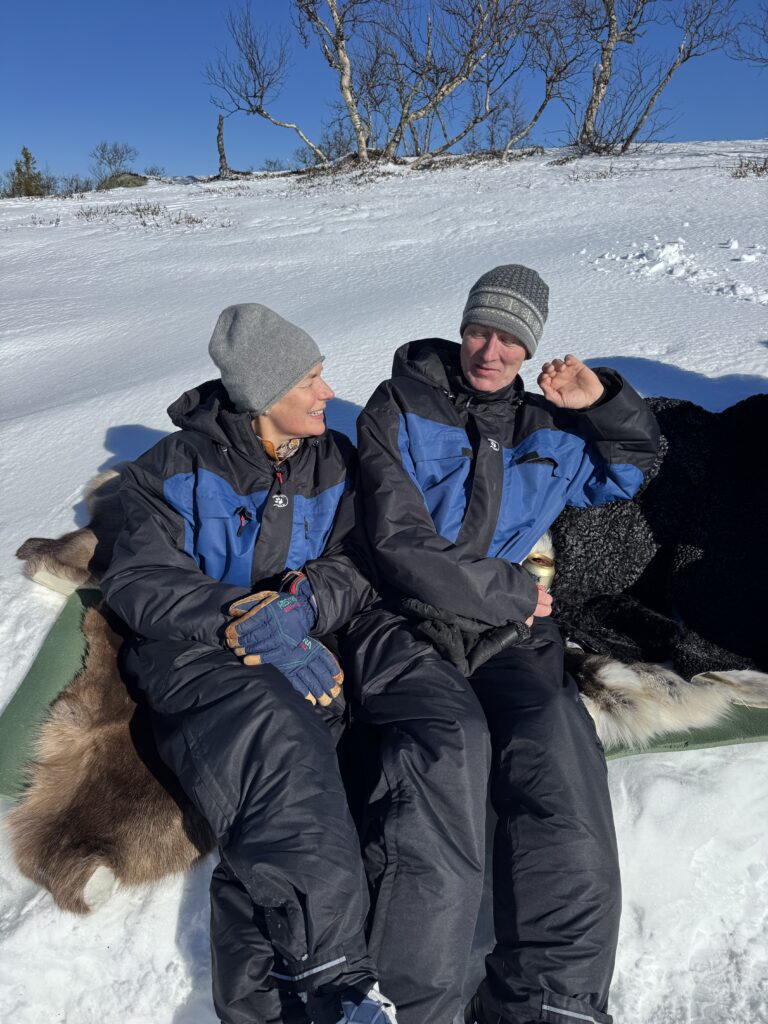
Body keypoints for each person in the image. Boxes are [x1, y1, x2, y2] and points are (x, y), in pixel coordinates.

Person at [341, 266, 661, 1024]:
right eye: (483, 330)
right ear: (462, 329)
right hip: (406, 618)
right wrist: (514, 591)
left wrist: (605, 402)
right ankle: (411, 1005)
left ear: (531, 348)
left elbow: (632, 469)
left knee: (557, 747)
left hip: (509, 634)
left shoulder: (546, 424)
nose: (493, 350)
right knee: (448, 753)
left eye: (513, 338)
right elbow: (398, 541)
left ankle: (554, 1002)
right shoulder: (399, 406)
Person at [101, 304, 397, 1024]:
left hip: (298, 651)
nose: (329, 392)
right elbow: (138, 581)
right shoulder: (167, 472)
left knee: (279, 812)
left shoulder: (336, 464)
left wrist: (302, 611)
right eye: (312, 380)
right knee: (278, 734)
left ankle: (263, 1009)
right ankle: (337, 986)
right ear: (263, 395)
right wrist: (239, 616)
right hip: (190, 660)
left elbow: (357, 561)